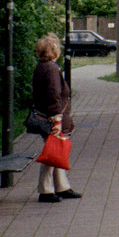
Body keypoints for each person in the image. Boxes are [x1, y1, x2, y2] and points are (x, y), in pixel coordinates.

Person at [32, 32, 80, 203]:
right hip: (53, 118)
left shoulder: (41, 67)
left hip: (47, 116)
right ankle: (45, 190)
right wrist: (57, 120)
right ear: (54, 50)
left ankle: (62, 186)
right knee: (52, 153)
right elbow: (53, 95)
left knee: (56, 150)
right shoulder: (51, 69)